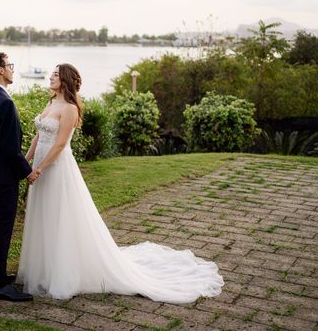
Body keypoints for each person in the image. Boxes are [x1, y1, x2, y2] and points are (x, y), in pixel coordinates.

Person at [16, 63, 224, 304]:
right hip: (40, 167)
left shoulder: (70, 108)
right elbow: (39, 136)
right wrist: (26, 162)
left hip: (57, 169)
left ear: (65, 80)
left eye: (55, 74)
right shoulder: (52, 103)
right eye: (50, 74)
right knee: (44, 215)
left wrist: (40, 169)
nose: (50, 77)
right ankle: (43, 268)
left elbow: (60, 144)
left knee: (60, 216)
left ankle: (62, 271)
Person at [0, 51, 40, 302]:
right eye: (9, 65)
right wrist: (27, 172)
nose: (12, 69)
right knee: (1, 228)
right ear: (0, 71)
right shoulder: (4, 102)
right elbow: (11, 148)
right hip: (4, 175)